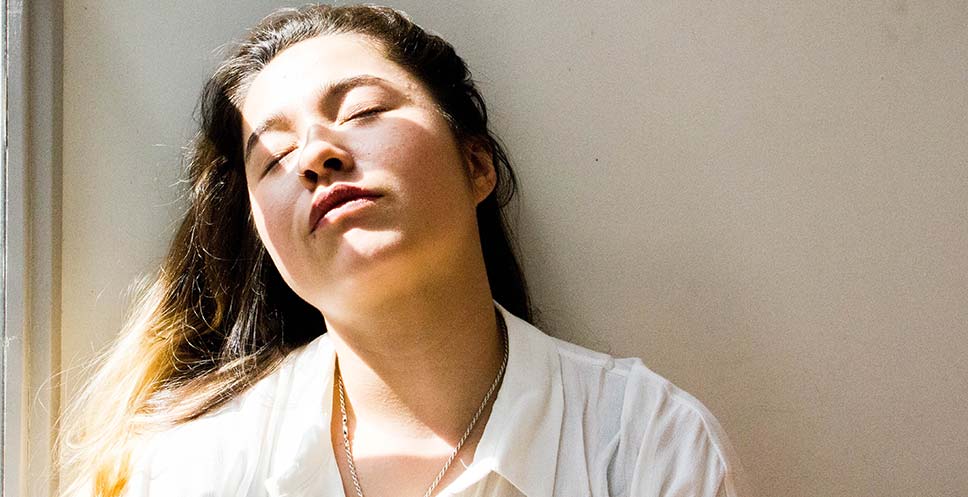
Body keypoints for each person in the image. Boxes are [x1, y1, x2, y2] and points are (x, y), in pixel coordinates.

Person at [60, 4, 748, 497]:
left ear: (477, 164)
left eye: (360, 111)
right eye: (272, 156)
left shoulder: (643, 441)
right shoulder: (191, 473)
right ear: (265, 236)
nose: (317, 154)